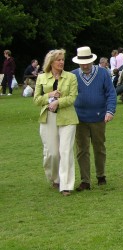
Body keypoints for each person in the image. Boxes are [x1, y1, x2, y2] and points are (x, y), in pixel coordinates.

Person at [34, 49, 79, 196]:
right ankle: (55, 178)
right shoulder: (41, 78)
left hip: (68, 118)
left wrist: (58, 101)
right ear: (51, 62)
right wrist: (50, 96)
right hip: (48, 118)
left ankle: (66, 185)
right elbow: (36, 100)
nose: (61, 62)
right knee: (52, 153)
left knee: (65, 151)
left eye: (62, 59)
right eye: (58, 60)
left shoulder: (71, 77)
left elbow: (72, 97)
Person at [72, 46, 116, 191]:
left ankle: (101, 175)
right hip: (79, 119)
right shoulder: (73, 76)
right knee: (81, 149)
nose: (85, 65)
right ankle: (85, 180)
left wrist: (110, 110)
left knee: (99, 147)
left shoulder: (103, 73)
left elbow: (111, 93)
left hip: (99, 117)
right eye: (82, 63)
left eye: (87, 62)